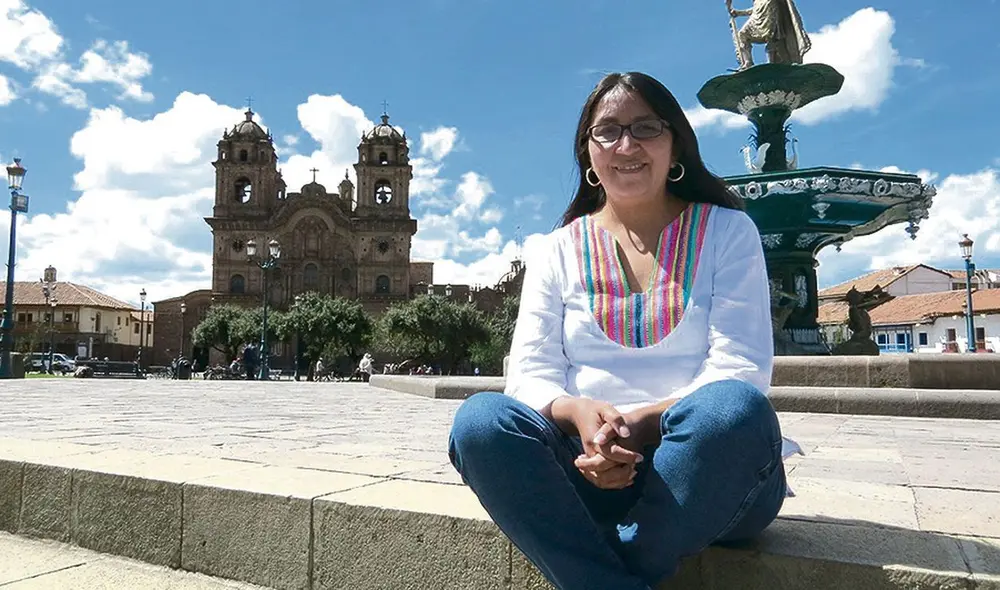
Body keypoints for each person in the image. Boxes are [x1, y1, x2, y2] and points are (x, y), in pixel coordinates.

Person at [448, 72, 788, 590]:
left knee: (734, 409)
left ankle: (598, 574)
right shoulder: (555, 248)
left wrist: (637, 424)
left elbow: (741, 366)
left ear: (676, 143)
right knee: (480, 421)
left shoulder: (727, 230)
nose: (626, 144)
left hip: (710, 474)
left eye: (646, 127)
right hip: (585, 467)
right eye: (607, 131)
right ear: (588, 154)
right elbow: (532, 374)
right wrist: (582, 416)